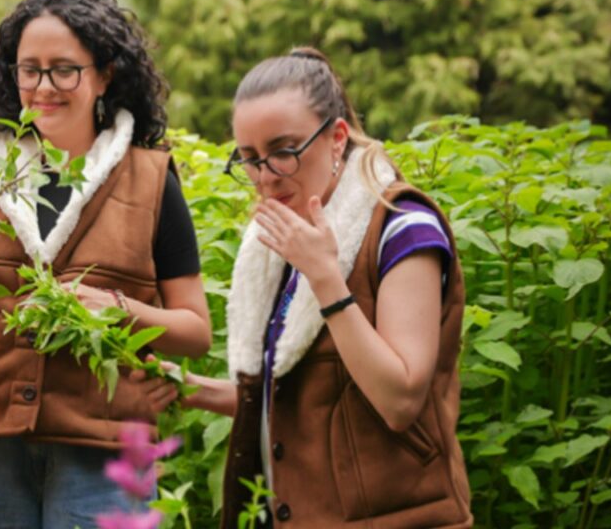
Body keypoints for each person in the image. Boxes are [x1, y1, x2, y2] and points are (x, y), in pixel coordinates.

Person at [0, 0, 211, 529]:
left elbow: (195, 331)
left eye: (64, 70)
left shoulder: (151, 181)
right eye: (30, 70)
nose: (44, 87)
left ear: (105, 74)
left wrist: (116, 308)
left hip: (104, 449)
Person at [135, 47, 472, 528]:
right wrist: (193, 389)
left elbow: (399, 402)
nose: (266, 177)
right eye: (249, 159)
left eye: (284, 151)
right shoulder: (287, 247)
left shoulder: (403, 228)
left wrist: (326, 278)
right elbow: (301, 400)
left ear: (337, 139)